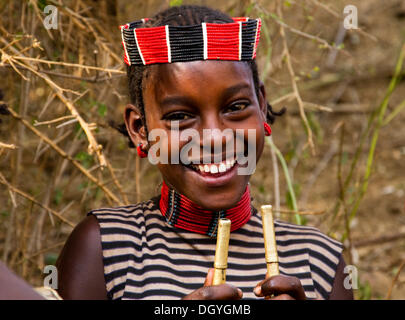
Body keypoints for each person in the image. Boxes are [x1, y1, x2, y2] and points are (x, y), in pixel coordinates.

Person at [56, 5, 353, 300]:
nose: (214, 138)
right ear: (140, 129)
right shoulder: (104, 251)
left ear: (261, 106)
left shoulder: (319, 264)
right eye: (179, 116)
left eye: (235, 107)